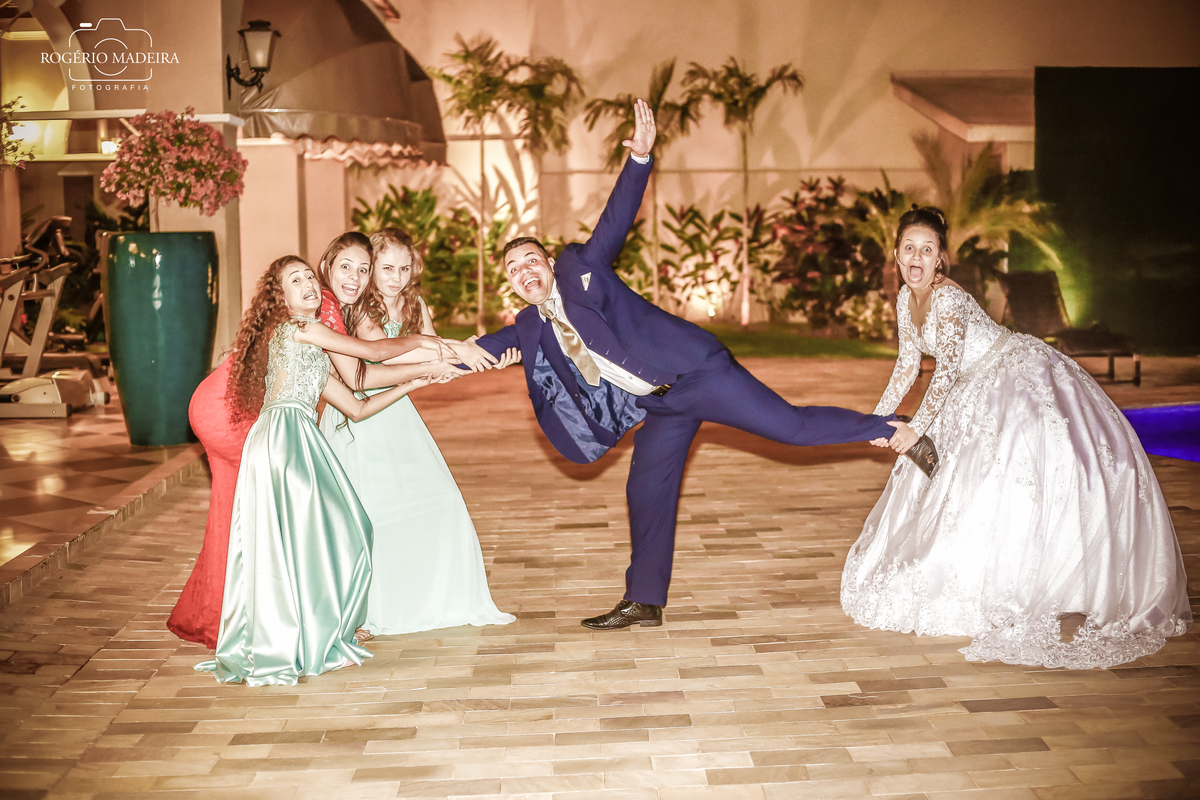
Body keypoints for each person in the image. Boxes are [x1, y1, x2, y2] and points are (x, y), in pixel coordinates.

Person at [471, 98, 903, 630]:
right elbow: (480, 350)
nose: (524, 271)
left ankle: (890, 428)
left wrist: (639, 159)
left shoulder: (582, 268)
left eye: (531, 260)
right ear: (512, 284)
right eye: (514, 269)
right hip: (661, 406)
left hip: (700, 374)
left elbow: (614, 221)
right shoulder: (530, 325)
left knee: (790, 428)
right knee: (645, 488)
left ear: (548, 262)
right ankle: (644, 600)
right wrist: (431, 354)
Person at [840, 205, 1192, 669]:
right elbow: (908, 363)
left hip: (1010, 375)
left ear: (940, 258)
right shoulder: (906, 298)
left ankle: (1047, 576)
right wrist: (878, 420)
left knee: (1014, 472)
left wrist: (914, 429)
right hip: (971, 385)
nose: (917, 258)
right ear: (897, 254)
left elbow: (945, 372)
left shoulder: (947, 300)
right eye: (910, 248)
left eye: (927, 250)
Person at [166, 245, 462, 649]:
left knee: (323, 528)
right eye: (298, 279)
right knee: (294, 531)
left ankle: (300, 622)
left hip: (290, 434)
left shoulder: (313, 348)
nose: (311, 284)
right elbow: (371, 356)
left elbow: (357, 406)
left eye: (309, 276)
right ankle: (286, 626)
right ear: (281, 296)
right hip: (270, 432)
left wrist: (415, 381)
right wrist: (428, 347)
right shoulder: (301, 327)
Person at [319, 228, 518, 635]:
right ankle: (365, 611)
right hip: (359, 417)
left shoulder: (415, 303)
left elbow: (434, 361)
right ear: (373, 268)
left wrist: (487, 357)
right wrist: (459, 351)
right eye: (386, 268)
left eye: (404, 268)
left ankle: (425, 599)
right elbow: (393, 358)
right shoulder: (361, 309)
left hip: (398, 414)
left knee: (441, 500)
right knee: (369, 514)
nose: (396, 277)